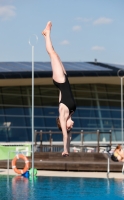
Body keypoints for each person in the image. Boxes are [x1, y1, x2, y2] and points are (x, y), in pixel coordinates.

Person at [42, 21, 76, 157]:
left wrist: (65, 150)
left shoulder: (63, 115)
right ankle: (46, 36)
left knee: (52, 54)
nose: (72, 126)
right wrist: (69, 147)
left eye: (69, 127)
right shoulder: (71, 113)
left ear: (64, 125)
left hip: (61, 81)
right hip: (64, 80)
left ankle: (47, 33)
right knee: (56, 55)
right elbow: (69, 137)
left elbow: (65, 136)